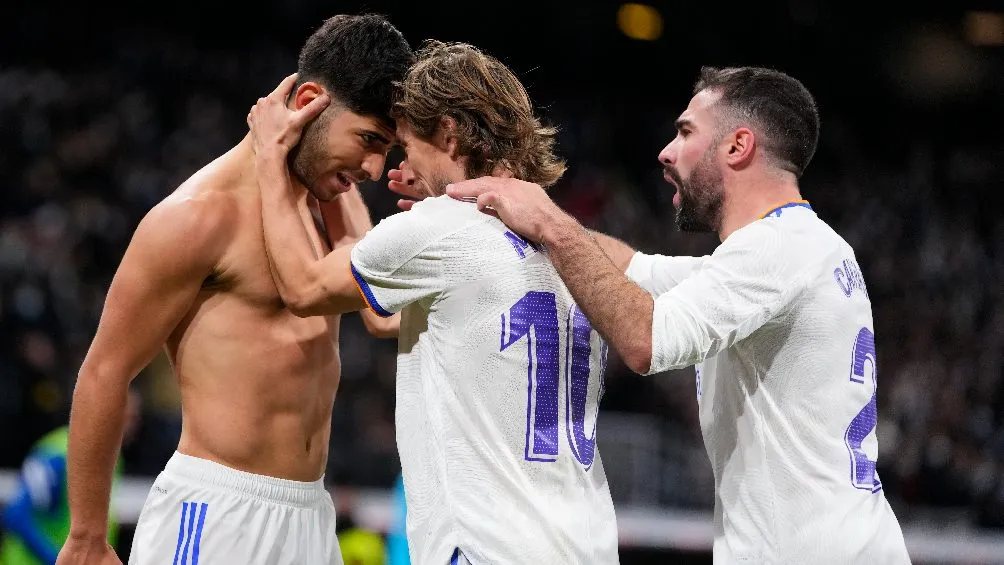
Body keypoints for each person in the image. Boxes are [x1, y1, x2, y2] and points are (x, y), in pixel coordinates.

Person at [445, 66, 913, 564]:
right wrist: (502, 204)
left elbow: (645, 338)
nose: (666, 151)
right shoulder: (794, 248)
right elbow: (629, 269)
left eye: (686, 131)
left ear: (738, 146)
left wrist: (550, 225)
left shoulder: (777, 249)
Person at [247, 41, 626, 564]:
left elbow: (305, 288)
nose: (397, 166)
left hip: (486, 549)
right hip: (584, 545)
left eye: (406, 144)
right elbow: (387, 317)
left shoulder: (441, 228)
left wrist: (271, 155)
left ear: (448, 133)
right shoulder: (565, 242)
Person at [55, 14, 413, 565]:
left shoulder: (322, 204)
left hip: (310, 516)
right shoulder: (199, 218)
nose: (373, 166)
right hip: (217, 512)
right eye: (368, 140)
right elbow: (105, 369)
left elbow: (381, 312)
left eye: (386, 148)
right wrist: (85, 535)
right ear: (309, 100)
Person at [1, 390, 140, 565]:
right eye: (125, 415)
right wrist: (55, 558)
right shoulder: (58, 453)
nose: (130, 424)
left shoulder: (112, 458)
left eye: (133, 417)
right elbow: (16, 514)